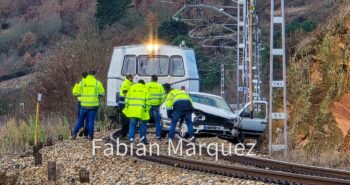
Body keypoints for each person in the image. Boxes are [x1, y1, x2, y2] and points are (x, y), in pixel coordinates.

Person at [71, 70, 105, 140]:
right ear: (94, 75)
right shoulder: (97, 83)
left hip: (83, 105)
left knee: (80, 120)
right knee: (91, 120)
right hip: (93, 105)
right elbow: (102, 93)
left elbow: (76, 93)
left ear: (88, 75)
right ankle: (90, 136)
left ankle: (74, 134)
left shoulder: (82, 82)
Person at [122, 80, 150, 144]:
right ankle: (143, 140)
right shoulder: (145, 89)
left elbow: (126, 100)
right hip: (141, 111)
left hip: (132, 111)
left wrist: (128, 107)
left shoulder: (132, 88)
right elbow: (148, 102)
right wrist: (146, 109)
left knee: (132, 125)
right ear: (143, 84)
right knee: (142, 125)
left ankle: (131, 139)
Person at [145, 75, 166, 140]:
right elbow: (163, 96)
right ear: (157, 79)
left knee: (145, 121)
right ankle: (158, 136)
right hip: (156, 105)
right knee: (157, 121)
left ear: (151, 79)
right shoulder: (160, 86)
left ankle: (143, 136)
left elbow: (144, 94)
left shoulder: (147, 85)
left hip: (148, 105)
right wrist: (160, 103)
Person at [72, 71, 88, 137]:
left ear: (82, 76)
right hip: (89, 103)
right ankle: (86, 132)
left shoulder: (80, 83)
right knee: (88, 118)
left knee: (80, 117)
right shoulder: (92, 83)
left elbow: (74, 92)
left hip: (80, 102)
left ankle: (80, 128)